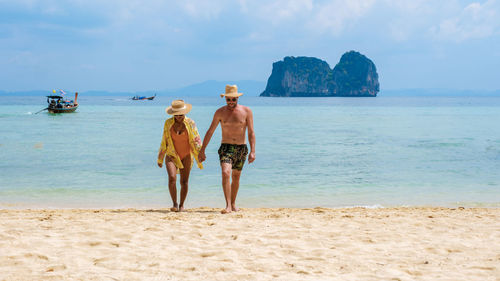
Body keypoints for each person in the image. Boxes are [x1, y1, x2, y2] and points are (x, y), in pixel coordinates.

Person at [199, 85, 255, 214]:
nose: (231, 102)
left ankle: (234, 203)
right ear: (225, 99)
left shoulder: (247, 111)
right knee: (226, 173)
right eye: (228, 100)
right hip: (226, 147)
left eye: (233, 100)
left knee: (236, 177)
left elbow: (251, 132)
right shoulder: (219, 112)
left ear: (237, 98)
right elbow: (210, 131)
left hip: (242, 148)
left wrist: (253, 151)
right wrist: (202, 150)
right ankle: (228, 205)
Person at [157, 100, 203, 212]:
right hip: (171, 154)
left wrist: (201, 154)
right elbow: (164, 140)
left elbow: (197, 139)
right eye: (176, 115)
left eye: (181, 115)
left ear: (184, 113)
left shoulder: (190, 123)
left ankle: (182, 205)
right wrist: (160, 158)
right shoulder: (168, 123)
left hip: (186, 154)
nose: (178, 117)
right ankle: (174, 204)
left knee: (184, 181)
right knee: (172, 178)